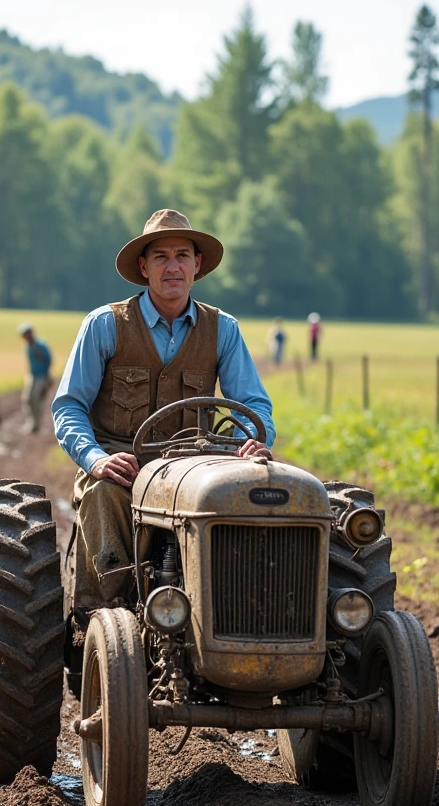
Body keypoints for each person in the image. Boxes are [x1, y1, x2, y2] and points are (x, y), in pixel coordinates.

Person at [52, 208, 276, 612]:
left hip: (195, 469)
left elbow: (253, 404)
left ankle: (241, 610)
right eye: (161, 257)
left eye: (182, 256)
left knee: (257, 495)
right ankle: (100, 617)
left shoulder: (222, 328)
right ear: (144, 266)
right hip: (123, 471)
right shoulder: (105, 325)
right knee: (104, 495)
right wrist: (96, 460)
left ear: (197, 264)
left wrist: (253, 441)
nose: (173, 267)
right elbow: (69, 407)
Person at [17, 323, 53, 433]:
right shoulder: (28, 346)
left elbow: (48, 359)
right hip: (32, 376)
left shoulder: (40, 345)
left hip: (41, 376)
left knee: (36, 400)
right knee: (27, 400)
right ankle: (32, 422)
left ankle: (37, 425)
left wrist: (47, 376)